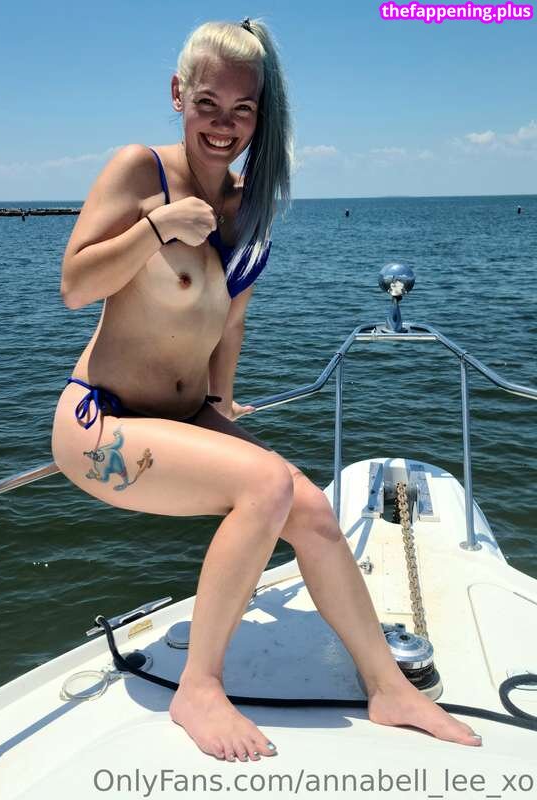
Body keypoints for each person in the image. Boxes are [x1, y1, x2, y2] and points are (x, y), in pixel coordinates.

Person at [51, 18, 482, 762]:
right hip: (102, 422)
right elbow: (74, 286)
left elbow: (230, 321)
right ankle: (199, 688)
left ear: (260, 115)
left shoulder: (250, 204)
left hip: (188, 416)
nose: (224, 124)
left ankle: (388, 687)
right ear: (178, 94)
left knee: (310, 507)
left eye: (242, 109)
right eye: (207, 104)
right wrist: (157, 228)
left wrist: (221, 403)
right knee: (265, 486)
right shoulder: (140, 172)